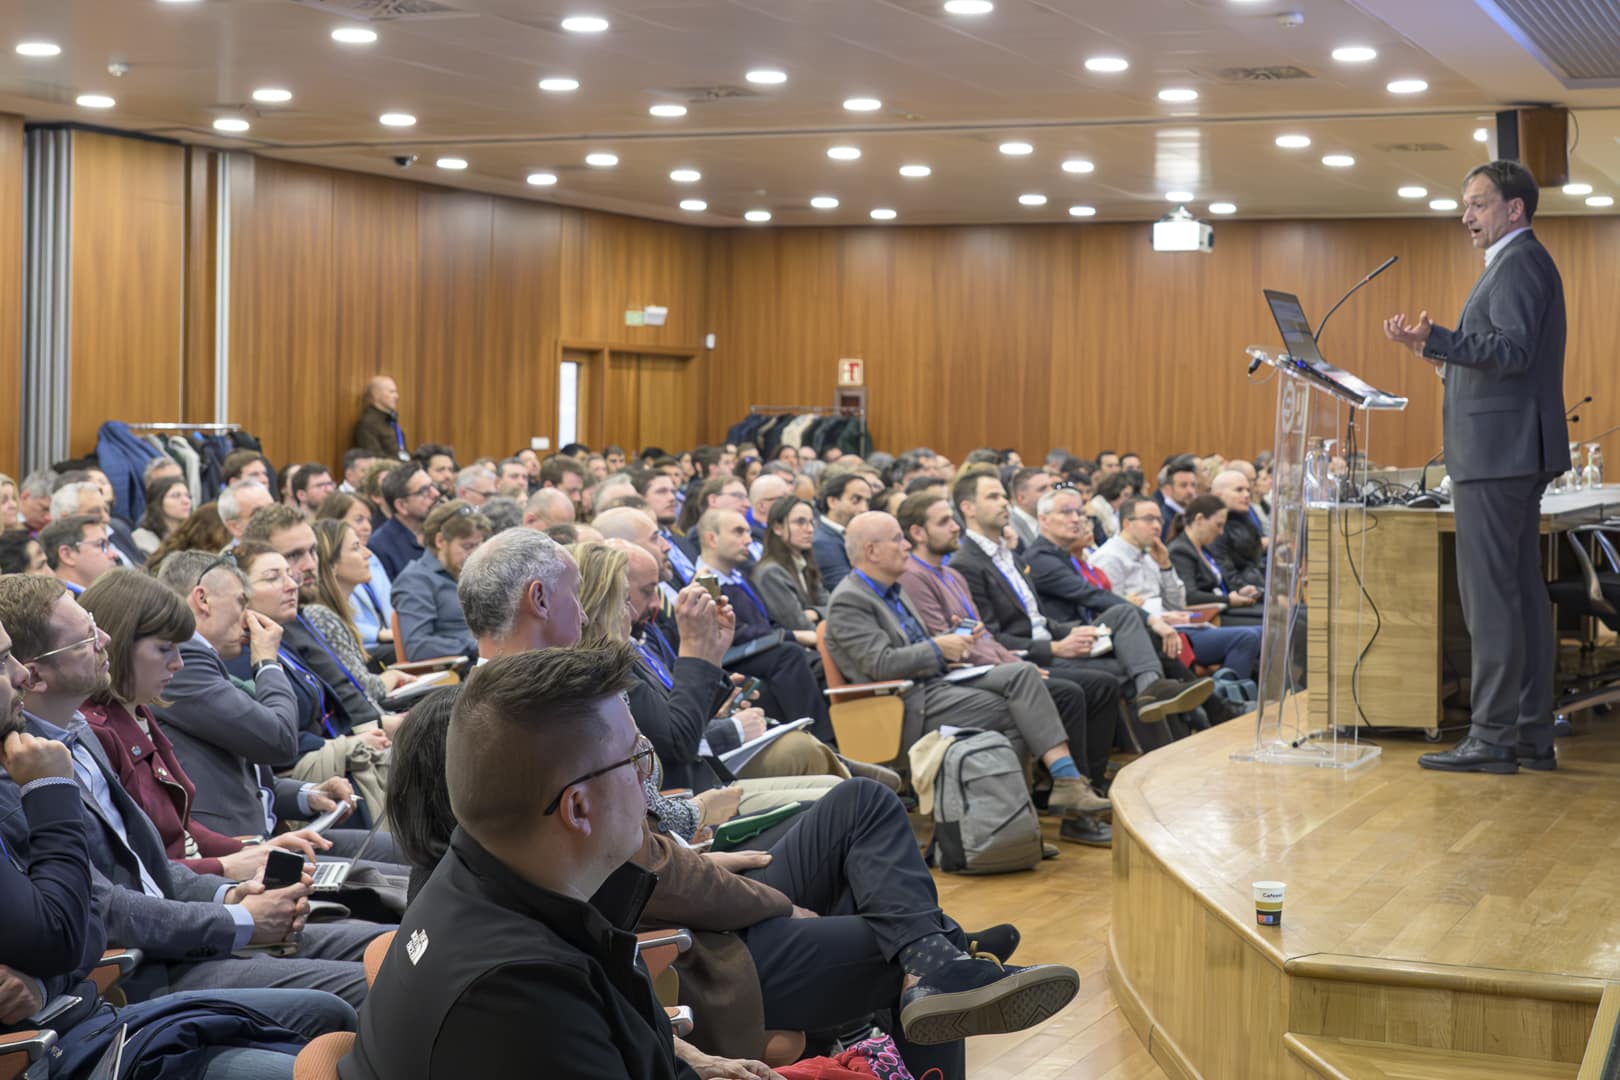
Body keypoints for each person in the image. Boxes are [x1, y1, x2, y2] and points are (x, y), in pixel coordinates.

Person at [0, 575, 387, 1008]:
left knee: (391, 946)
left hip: (193, 922)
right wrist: (235, 910)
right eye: (87, 637)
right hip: (142, 971)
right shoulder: (29, 771)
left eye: (96, 626)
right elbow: (104, 907)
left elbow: (149, 866)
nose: (103, 639)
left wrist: (229, 895)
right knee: (362, 991)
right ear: (36, 675)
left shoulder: (77, 732)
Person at [1383, 159, 1568, 773]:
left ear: (1514, 208)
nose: (1466, 216)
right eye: (1465, 204)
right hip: (1507, 449)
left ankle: (1491, 737)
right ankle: (1528, 734)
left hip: (1497, 454)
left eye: (1479, 204)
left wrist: (1440, 339)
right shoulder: (1517, 262)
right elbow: (1505, 360)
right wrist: (1439, 356)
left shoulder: (1518, 263)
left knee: (1492, 599)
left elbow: (1513, 351)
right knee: (1517, 595)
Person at [827, 511, 1109, 817]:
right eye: (897, 539)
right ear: (871, 551)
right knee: (1015, 713)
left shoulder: (894, 590)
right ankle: (1011, 815)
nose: (906, 545)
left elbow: (911, 647)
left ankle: (1058, 787)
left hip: (935, 683)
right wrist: (938, 648)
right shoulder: (849, 600)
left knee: (1023, 673)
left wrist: (952, 638)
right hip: (901, 703)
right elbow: (881, 664)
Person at [893, 496, 1114, 840]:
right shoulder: (914, 578)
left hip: (992, 668)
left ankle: (1085, 792)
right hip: (958, 678)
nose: (956, 527)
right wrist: (1014, 668)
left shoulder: (952, 574)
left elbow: (984, 637)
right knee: (1067, 694)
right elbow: (951, 646)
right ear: (918, 532)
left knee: (1100, 685)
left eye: (953, 519)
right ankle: (1066, 805)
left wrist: (1016, 662)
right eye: (944, 522)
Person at [951, 474, 1210, 723]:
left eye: (1003, 496)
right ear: (968, 508)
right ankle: (1186, 713)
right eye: (993, 496)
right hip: (1030, 654)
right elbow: (992, 637)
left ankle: (1160, 696)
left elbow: (1041, 619)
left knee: (1126, 617)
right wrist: (1056, 646)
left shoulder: (1011, 557)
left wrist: (1072, 632)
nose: (1004, 502)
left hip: (1058, 637)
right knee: (1131, 666)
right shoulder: (977, 563)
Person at [691, 509, 833, 743]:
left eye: (748, 532)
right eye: (738, 532)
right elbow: (735, 633)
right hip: (733, 655)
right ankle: (821, 739)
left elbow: (767, 621)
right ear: (711, 539)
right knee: (789, 654)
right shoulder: (703, 584)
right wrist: (793, 636)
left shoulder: (741, 576)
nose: (748, 539)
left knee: (821, 659)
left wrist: (788, 635)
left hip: (762, 646)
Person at [1090, 496, 1262, 677]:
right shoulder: (1109, 558)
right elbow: (1115, 612)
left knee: (1260, 633)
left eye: (1159, 520)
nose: (1157, 526)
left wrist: (1165, 566)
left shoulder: (1151, 553)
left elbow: (1177, 604)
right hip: (1148, 634)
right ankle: (1230, 691)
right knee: (1247, 638)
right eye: (1149, 519)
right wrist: (1157, 617)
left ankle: (1233, 688)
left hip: (1174, 625)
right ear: (1127, 523)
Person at [304, 520, 414, 705]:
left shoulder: (337, 613)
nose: (368, 553)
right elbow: (361, 688)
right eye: (356, 548)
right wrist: (393, 676)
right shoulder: (323, 618)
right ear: (332, 563)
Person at [392, 500, 488, 661]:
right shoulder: (415, 581)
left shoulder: (473, 572)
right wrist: (476, 646)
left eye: (478, 545)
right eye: (467, 546)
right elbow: (418, 647)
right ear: (440, 541)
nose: (475, 554)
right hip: (464, 667)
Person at [317, 492, 395, 653]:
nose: (367, 527)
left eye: (369, 520)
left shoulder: (372, 557)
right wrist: (378, 634)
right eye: (359, 520)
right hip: (368, 646)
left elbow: (390, 605)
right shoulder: (324, 581)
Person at [1167, 495, 1262, 625]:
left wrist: (1239, 592)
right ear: (1200, 519)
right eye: (1218, 525)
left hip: (1222, 609)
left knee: (1275, 616)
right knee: (1267, 625)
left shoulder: (1204, 548)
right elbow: (1190, 595)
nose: (1221, 532)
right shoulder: (1180, 551)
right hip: (1208, 616)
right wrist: (1228, 599)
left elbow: (1219, 586)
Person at [750, 496, 827, 639]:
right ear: (777, 528)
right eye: (800, 522)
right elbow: (799, 624)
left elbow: (834, 606)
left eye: (812, 522)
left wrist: (815, 613)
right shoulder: (771, 573)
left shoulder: (804, 563)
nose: (810, 529)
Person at [368, 463, 441, 579]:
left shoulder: (444, 527)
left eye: (433, 485)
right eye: (424, 491)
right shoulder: (380, 547)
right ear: (401, 505)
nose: (436, 494)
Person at [1208, 470, 1268, 596]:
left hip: (1258, 588)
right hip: (1238, 595)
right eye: (1239, 490)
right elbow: (1226, 573)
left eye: (1248, 490)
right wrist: (1259, 593)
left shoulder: (1245, 518)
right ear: (1218, 495)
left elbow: (1257, 563)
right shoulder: (1213, 527)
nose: (1247, 495)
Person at [811, 472, 871, 592]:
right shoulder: (822, 542)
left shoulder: (856, 533)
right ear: (832, 502)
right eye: (856, 500)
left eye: (867, 502)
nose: (864, 509)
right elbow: (848, 590)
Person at [39, 515, 117, 595]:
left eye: (108, 545)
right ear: (67, 555)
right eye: (100, 545)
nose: (114, 554)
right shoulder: (60, 601)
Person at [132, 475, 194, 557]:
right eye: (176, 496)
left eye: (188, 496)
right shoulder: (142, 537)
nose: (186, 501)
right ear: (158, 502)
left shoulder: (193, 535)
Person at [352, 375, 409, 460]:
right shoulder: (368, 424)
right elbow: (375, 458)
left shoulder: (391, 421)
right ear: (376, 395)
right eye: (391, 392)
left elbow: (402, 452)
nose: (397, 396)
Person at [219, 480, 275, 547]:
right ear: (235, 527)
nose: (273, 517)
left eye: (273, 508)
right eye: (260, 513)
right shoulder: (232, 554)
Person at [1007, 467, 1052, 550]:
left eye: (1052, 486)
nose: (1051, 492)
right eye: (1042, 489)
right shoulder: (1009, 528)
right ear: (1022, 498)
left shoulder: (1052, 520)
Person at [1155, 458, 1198, 542]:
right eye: (1183, 485)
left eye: (1193, 485)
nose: (1190, 491)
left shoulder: (1191, 514)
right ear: (1168, 489)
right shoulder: (1164, 520)